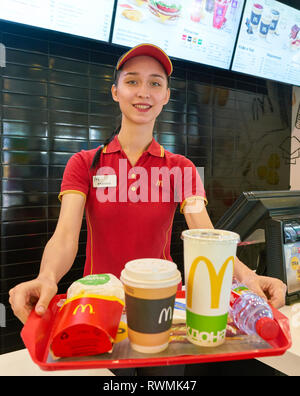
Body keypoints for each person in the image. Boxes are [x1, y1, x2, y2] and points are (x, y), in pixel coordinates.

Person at [9, 44, 286, 375]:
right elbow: (65, 236)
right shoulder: (85, 163)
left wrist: (248, 277)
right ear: (115, 91)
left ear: (167, 95)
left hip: (163, 302)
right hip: (101, 303)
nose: (144, 92)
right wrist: (47, 278)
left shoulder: (180, 168)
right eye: (132, 81)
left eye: (155, 83)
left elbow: (207, 235)